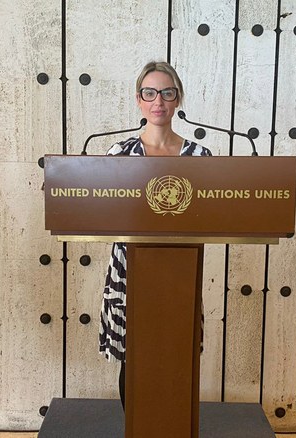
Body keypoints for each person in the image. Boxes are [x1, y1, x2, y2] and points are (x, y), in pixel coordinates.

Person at [97, 61, 212, 409]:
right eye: (149, 93)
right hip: (129, 270)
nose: (158, 101)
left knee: (176, 357)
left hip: (180, 271)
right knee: (133, 359)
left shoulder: (200, 157)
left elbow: (210, 213)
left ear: (178, 99)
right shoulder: (119, 153)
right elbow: (100, 207)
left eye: (166, 92)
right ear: (139, 99)